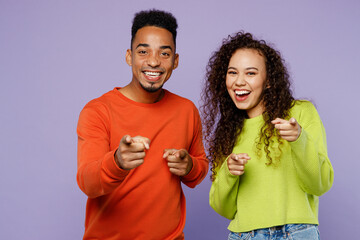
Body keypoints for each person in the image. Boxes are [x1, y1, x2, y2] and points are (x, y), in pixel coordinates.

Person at [76, 9, 208, 240]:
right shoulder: (97, 110)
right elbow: (88, 182)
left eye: (164, 54)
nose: (154, 61)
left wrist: (189, 167)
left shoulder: (186, 110)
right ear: (129, 56)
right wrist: (117, 161)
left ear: (175, 61)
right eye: (143, 51)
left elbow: (199, 169)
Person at [201, 31, 334, 240]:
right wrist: (229, 172)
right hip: (243, 235)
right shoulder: (228, 132)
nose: (239, 81)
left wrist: (299, 139)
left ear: (269, 80)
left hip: (295, 233)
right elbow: (223, 209)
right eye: (232, 72)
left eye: (251, 73)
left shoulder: (300, 113)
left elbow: (320, 184)